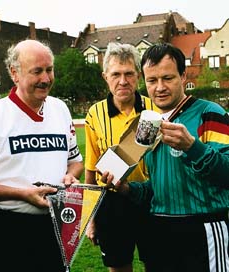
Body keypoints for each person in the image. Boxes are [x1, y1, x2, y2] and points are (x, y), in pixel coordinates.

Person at [103, 42, 229, 272]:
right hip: (159, 232)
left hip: (202, 230)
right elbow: (158, 188)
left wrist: (193, 147)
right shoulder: (147, 123)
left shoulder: (210, 113)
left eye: (168, 78)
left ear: (182, 76)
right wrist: (128, 190)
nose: (159, 87)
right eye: (152, 81)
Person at [0, 39, 84, 272]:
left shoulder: (60, 109)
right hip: (10, 230)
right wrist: (22, 194)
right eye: (37, 71)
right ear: (14, 73)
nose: (46, 79)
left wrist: (70, 177)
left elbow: (75, 162)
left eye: (49, 69)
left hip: (56, 224)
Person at [84, 42, 159, 272]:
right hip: (112, 203)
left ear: (138, 75)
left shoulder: (155, 108)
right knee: (118, 267)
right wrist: (90, 219)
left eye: (129, 74)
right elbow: (90, 170)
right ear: (105, 76)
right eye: (116, 74)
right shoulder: (94, 114)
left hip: (152, 198)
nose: (123, 81)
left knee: (157, 264)